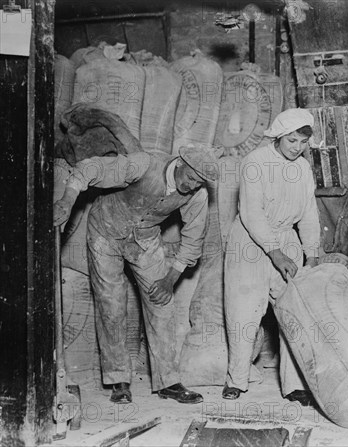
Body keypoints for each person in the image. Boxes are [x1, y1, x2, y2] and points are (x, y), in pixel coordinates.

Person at [53, 145, 222, 404]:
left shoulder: (196, 194)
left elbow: (192, 241)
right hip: (105, 231)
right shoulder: (145, 164)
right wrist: (67, 200)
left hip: (144, 239)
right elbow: (92, 167)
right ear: (179, 163)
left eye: (198, 182)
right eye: (189, 177)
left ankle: (169, 382)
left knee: (162, 303)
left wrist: (169, 279)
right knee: (111, 303)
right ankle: (119, 380)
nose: (191, 185)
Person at [222, 108, 320, 406]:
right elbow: (252, 213)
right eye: (292, 141)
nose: (297, 147)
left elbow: (308, 213)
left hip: (286, 236)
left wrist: (312, 253)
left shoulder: (302, 168)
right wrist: (274, 253)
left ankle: (294, 384)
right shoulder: (255, 162)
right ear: (278, 136)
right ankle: (237, 379)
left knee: (292, 311)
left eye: (302, 142)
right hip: (250, 241)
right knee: (243, 310)